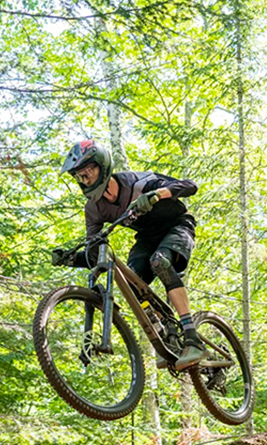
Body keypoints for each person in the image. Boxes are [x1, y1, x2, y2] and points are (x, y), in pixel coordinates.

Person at [60, 139, 206, 371]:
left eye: (89, 172)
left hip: (177, 224)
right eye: (81, 176)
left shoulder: (139, 182)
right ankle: (165, 332)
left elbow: (190, 186)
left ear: (103, 166)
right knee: (131, 280)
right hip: (147, 237)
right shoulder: (94, 208)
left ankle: (192, 337)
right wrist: (71, 259)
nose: (86, 179)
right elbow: (94, 250)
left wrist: (158, 194)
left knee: (160, 261)